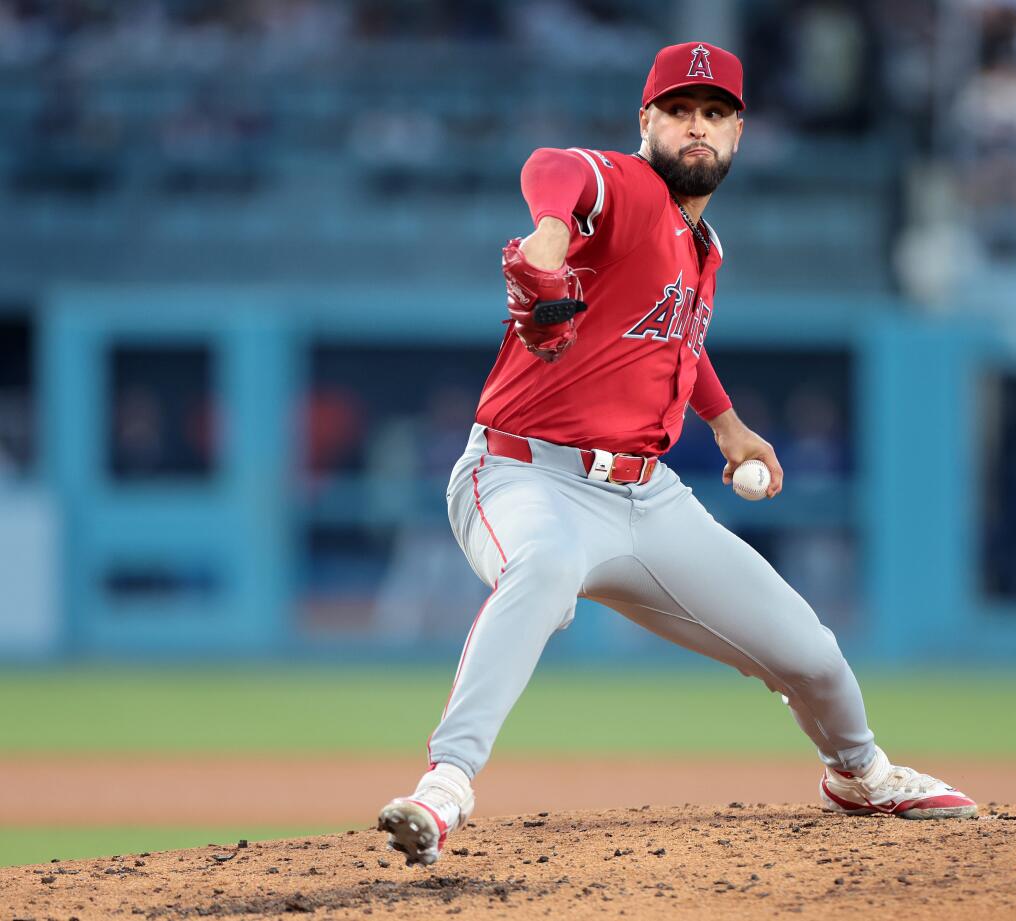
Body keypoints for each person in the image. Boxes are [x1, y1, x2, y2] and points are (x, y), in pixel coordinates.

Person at [378, 41, 976, 867]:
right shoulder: (623, 188)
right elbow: (554, 166)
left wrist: (727, 425)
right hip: (523, 473)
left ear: (738, 135)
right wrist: (550, 238)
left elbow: (675, 346)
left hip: (647, 500)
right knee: (544, 567)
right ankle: (445, 785)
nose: (697, 127)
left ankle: (859, 773)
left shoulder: (705, 246)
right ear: (646, 123)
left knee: (813, 653)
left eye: (716, 114)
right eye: (680, 111)